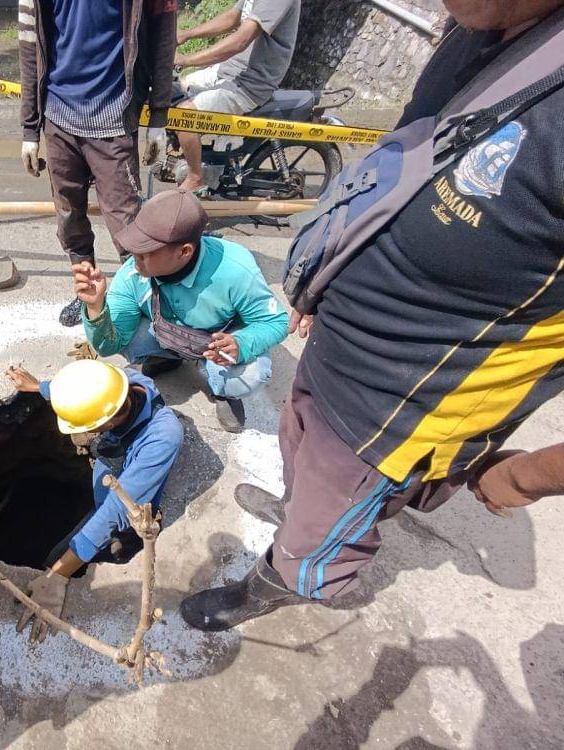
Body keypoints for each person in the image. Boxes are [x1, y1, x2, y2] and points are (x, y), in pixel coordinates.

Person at [181, 0, 564, 631]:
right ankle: (299, 510)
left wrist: (525, 478)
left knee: (328, 524)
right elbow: (402, 171)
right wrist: (323, 276)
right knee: (297, 448)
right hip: (332, 351)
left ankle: (286, 580)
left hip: (393, 411)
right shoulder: (483, 27)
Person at [73, 188, 288, 432]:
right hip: (169, 334)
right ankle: (168, 358)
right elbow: (108, 345)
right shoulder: (133, 274)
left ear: (184, 251)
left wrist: (241, 343)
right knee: (127, 337)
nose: (134, 257)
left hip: (217, 342)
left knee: (251, 376)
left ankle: (221, 389)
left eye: (145, 251)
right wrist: (95, 307)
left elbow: (277, 322)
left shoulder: (236, 270)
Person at [18, 0, 178, 326]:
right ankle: (88, 294)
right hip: (58, 115)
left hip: (114, 117)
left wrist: (159, 117)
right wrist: (30, 128)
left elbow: (164, 38)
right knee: (69, 218)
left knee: (128, 224)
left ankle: (139, 304)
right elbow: (29, 46)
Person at [5, 358, 184, 642]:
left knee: (74, 554)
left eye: (86, 427)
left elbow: (116, 510)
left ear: (108, 421)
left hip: (127, 499)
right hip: (111, 466)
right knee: (81, 535)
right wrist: (40, 387)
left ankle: (124, 543)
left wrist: (59, 575)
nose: (81, 433)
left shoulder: (163, 437)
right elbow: (84, 390)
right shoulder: (117, 384)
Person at [173, 0, 301, 193]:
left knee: (184, 115)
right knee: (174, 90)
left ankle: (195, 178)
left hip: (250, 83)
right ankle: (193, 152)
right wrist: (186, 35)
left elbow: (241, 39)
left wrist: (186, 60)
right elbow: (232, 17)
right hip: (228, 70)